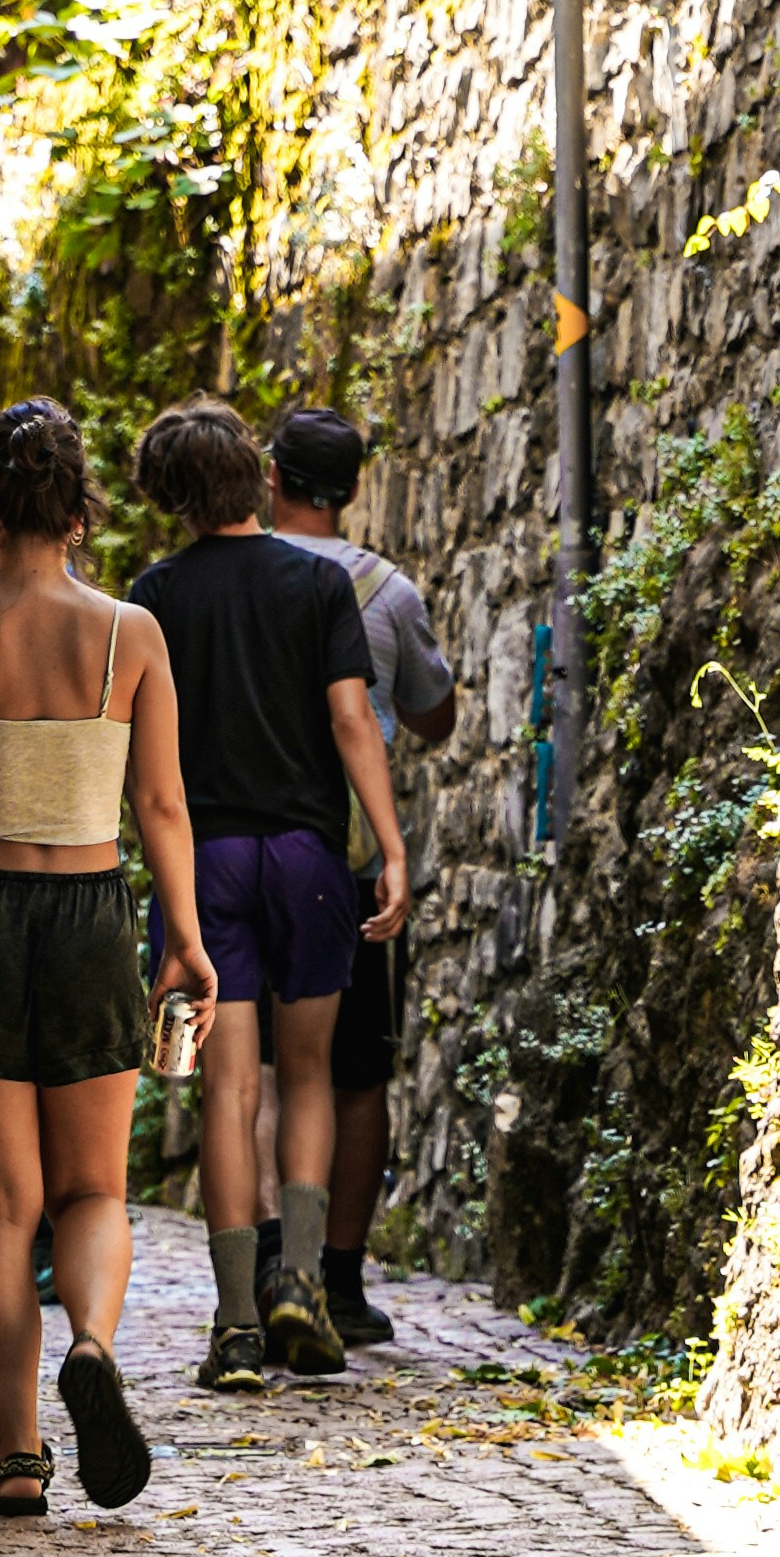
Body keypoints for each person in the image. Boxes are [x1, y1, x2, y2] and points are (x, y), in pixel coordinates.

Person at [0, 393, 213, 1523]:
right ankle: (95, 1348)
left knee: (3, 1210)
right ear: (77, 505)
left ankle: (17, 1454)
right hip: (92, 917)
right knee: (93, 1187)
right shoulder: (131, 634)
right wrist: (186, 943)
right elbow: (159, 801)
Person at [129, 398, 406, 1389]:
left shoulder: (152, 596)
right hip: (305, 858)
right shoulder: (317, 584)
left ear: (170, 494)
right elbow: (350, 721)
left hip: (204, 865)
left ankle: (238, 1324)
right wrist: (389, 843)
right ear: (256, 476)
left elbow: (142, 757)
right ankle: (301, 1283)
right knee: (311, 1073)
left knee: (229, 1086)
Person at [258, 402, 457, 1354]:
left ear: (272, 476)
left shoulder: (232, 574)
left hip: (235, 847)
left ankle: (265, 1259)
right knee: (354, 1073)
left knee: (256, 1073)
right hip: (342, 857)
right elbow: (433, 713)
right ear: (354, 486)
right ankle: (339, 1273)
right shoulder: (389, 589)